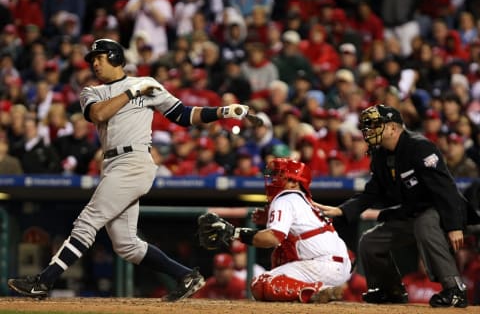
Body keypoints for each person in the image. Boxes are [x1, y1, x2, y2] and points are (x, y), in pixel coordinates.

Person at [7, 38, 250, 301]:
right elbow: (99, 115)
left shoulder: (147, 84)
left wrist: (223, 111)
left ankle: (44, 281)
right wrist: (133, 93)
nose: (95, 63)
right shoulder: (92, 91)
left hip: (134, 161)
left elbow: (183, 115)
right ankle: (186, 276)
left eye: (100, 58)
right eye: (92, 60)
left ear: (114, 57)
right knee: (126, 245)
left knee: (87, 221)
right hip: (111, 164)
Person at [316, 104, 469, 308]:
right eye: (368, 126)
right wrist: (342, 209)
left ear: (393, 128)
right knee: (370, 241)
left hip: (441, 210)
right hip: (413, 213)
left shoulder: (420, 147)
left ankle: (454, 290)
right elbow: (372, 192)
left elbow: (445, 189)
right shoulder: (380, 155)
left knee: (424, 224)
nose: (369, 130)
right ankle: (391, 290)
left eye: (376, 124)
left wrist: (453, 226)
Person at [200, 158, 351, 303]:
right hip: (340, 267)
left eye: (281, 176)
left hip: (322, 266)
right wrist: (267, 220)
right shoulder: (305, 201)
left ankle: (315, 290)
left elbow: (272, 238)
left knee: (260, 283)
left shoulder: (285, 197)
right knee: (281, 252)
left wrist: (234, 232)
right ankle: (319, 290)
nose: (274, 181)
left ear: (294, 183)